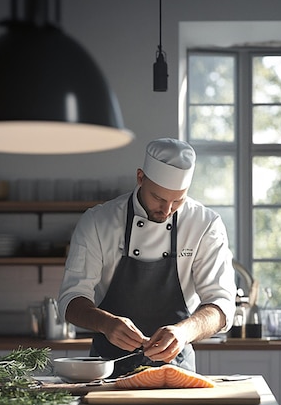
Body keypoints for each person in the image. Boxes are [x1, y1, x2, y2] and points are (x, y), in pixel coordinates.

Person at [58, 137, 236, 377]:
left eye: (177, 200)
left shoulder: (205, 225)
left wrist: (183, 333)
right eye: (159, 198)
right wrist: (106, 324)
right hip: (106, 371)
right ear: (140, 177)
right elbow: (71, 301)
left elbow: (221, 305)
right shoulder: (98, 222)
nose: (166, 210)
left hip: (177, 370)